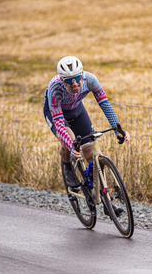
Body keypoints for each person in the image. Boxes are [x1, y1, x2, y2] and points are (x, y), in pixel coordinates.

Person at [44, 56, 130, 187]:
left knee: (90, 152)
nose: (75, 83)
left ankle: (103, 197)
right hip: (57, 114)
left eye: (77, 78)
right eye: (69, 80)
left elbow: (105, 105)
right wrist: (72, 148)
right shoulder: (55, 89)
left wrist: (118, 129)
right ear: (62, 80)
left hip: (77, 109)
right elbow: (60, 124)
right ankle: (67, 166)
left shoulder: (90, 80)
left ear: (82, 74)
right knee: (70, 143)